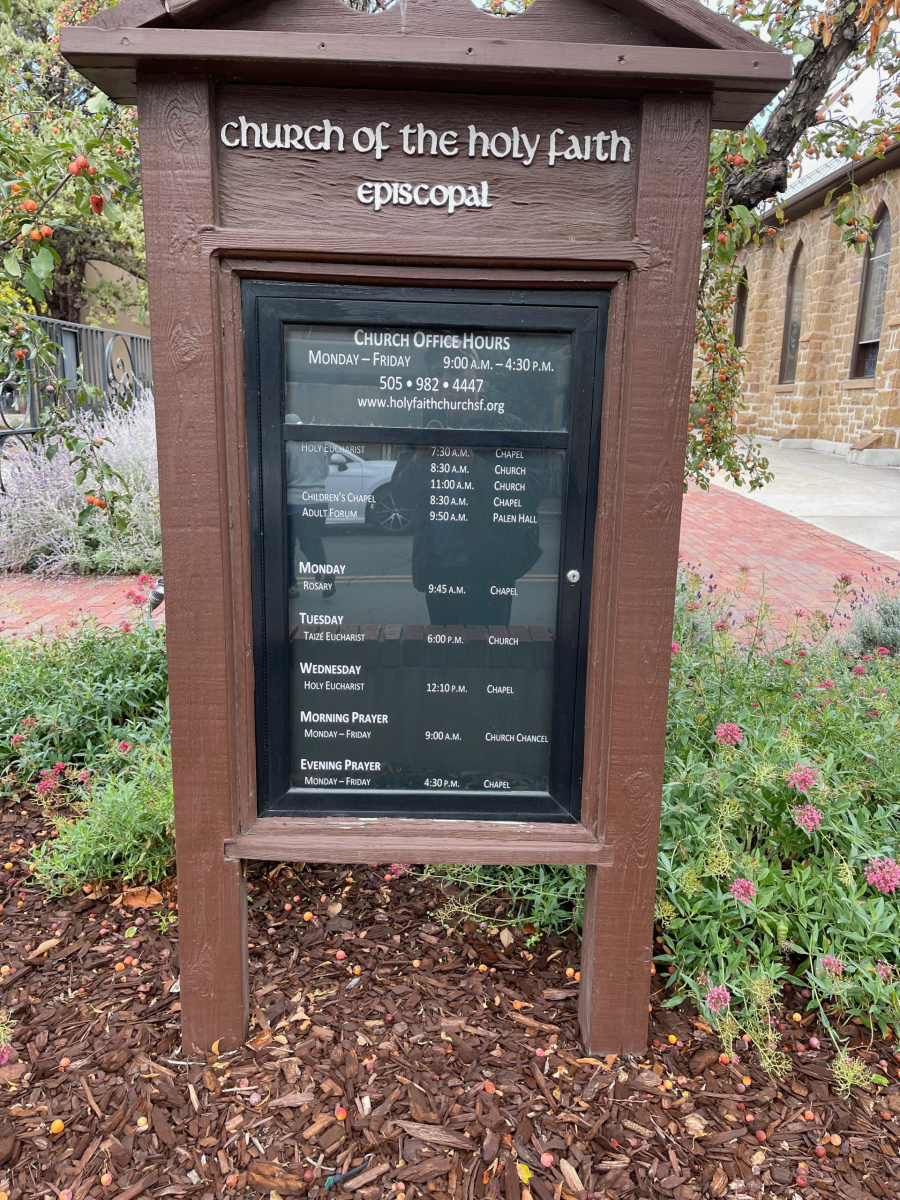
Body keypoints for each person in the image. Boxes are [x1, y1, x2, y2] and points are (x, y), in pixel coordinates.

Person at [284, 415, 333, 597]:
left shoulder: (287, 447)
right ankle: (324, 572)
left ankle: (291, 585)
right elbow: (325, 472)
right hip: (319, 501)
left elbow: (284, 474)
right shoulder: (318, 444)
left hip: (295, 503)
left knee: (288, 546)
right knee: (312, 541)